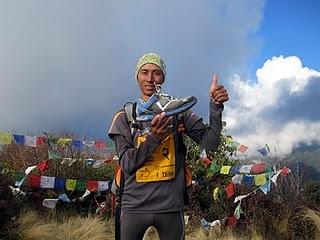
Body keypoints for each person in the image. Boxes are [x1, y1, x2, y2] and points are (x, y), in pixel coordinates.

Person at [108, 52, 229, 240]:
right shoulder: (125, 117)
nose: (149, 79)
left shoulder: (178, 112)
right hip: (133, 207)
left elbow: (210, 144)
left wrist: (215, 108)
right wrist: (154, 138)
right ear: (137, 77)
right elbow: (127, 164)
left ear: (163, 78)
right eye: (144, 72)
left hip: (171, 206)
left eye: (156, 73)